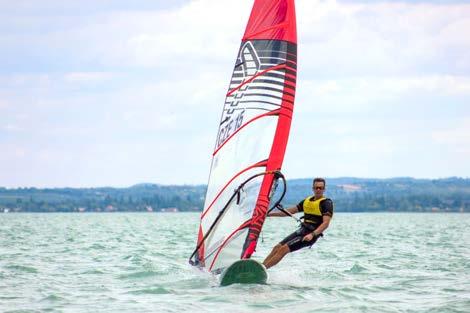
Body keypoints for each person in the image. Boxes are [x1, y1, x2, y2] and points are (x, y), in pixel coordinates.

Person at [262, 177, 333, 269]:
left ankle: (264, 269)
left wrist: (312, 234)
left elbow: (326, 223)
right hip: (302, 231)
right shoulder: (307, 201)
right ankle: (261, 266)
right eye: (316, 187)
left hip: (310, 235)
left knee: (283, 249)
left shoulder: (326, 203)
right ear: (313, 188)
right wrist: (269, 214)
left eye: (320, 188)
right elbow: (289, 212)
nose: (318, 190)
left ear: (324, 189)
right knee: (277, 247)